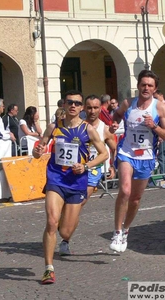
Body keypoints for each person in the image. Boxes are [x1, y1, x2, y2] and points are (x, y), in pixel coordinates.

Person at [33, 90, 109, 284]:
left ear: (81, 107)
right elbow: (38, 151)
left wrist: (85, 166)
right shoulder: (53, 127)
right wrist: (37, 151)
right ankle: (48, 268)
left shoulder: (88, 130)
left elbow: (103, 154)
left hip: (76, 182)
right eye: (70, 102)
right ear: (64, 105)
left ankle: (64, 229)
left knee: (65, 232)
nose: (73, 106)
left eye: (77, 103)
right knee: (51, 221)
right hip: (56, 179)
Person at [108, 70, 165, 252]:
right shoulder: (128, 103)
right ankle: (117, 231)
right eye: (143, 84)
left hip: (146, 157)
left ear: (155, 88)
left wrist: (155, 126)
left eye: (150, 85)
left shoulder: (160, 108)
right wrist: (114, 124)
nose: (146, 88)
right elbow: (118, 115)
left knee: (135, 199)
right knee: (125, 191)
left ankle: (126, 229)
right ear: (138, 86)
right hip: (126, 153)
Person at [58, 94, 117, 256]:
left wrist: (112, 166)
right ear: (84, 108)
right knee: (66, 206)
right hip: (72, 169)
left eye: (96, 107)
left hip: (93, 171)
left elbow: (113, 148)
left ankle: (65, 240)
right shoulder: (77, 125)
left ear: (100, 109)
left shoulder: (104, 129)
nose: (92, 111)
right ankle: (64, 226)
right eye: (89, 107)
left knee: (79, 204)